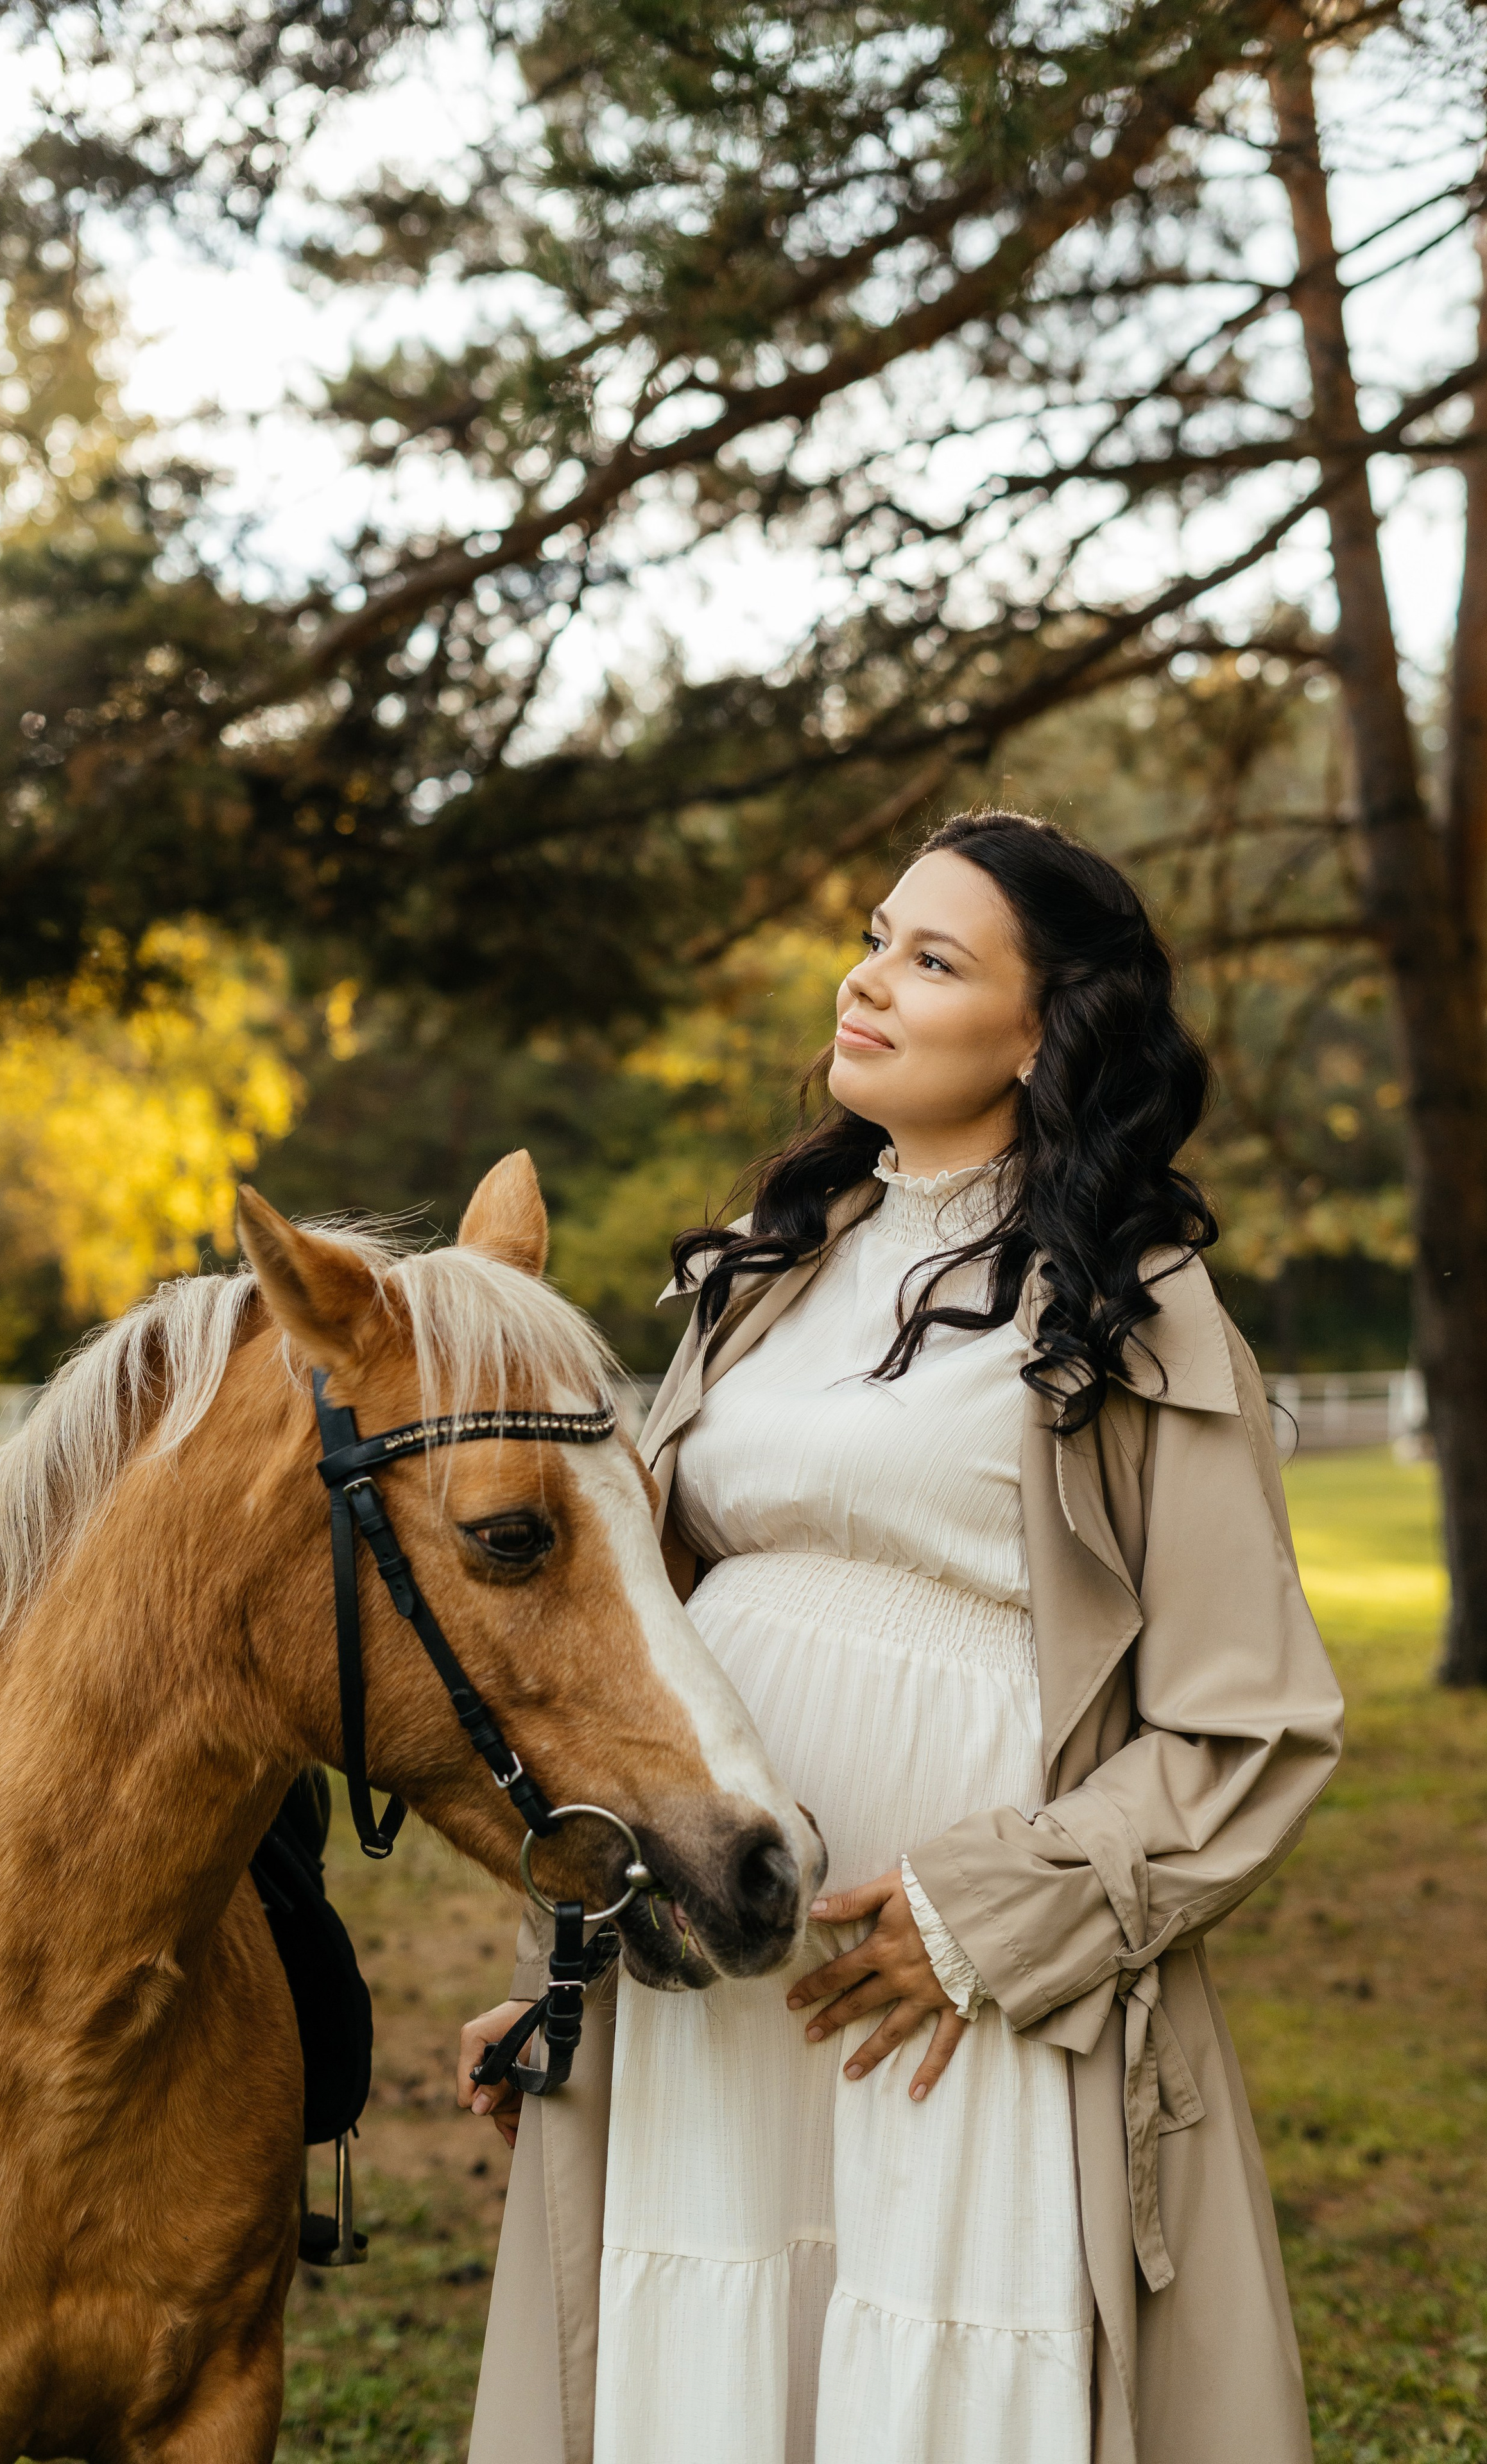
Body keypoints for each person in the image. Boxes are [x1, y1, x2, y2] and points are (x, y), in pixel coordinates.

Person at [457, 810, 1344, 2464]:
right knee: (711, 2322)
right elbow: (644, 1659)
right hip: (730, 1948)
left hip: (957, 1983)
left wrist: (979, 1922)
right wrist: (574, 1970)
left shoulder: (1132, 1306)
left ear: (1042, 1030)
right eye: (876, 938)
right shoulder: (768, 1272)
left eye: (933, 960)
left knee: (933, 2343)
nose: (868, 983)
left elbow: (1256, 1723)